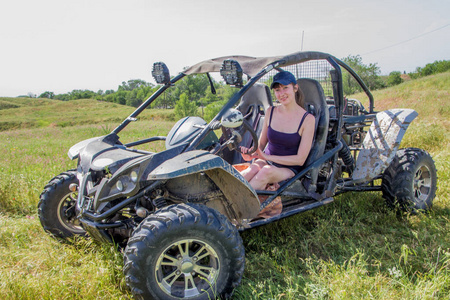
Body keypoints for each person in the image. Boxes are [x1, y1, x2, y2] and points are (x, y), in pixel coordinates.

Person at [240, 71, 315, 191]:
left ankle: (238, 207)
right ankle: (223, 201)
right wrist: (251, 153)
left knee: (265, 172)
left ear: (295, 88)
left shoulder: (307, 119)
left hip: (289, 168)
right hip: (267, 161)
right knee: (249, 171)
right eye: (277, 90)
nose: (282, 93)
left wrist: (267, 157)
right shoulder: (270, 112)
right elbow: (261, 144)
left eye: (285, 88)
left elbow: (300, 160)